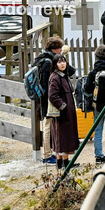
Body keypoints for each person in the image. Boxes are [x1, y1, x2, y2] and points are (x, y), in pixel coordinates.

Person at [35, 36, 76, 164]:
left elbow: (70, 71)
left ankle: (53, 154)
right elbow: (50, 84)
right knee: (49, 126)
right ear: (55, 49)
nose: (60, 50)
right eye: (59, 48)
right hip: (51, 100)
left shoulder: (44, 59)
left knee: (51, 126)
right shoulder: (48, 63)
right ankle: (47, 155)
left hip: (48, 98)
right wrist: (59, 103)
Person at [47, 54, 80, 170]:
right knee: (63, 138)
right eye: (59, 62)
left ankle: (60, 162)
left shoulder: (63, 76)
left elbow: (72, 70)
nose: (62, 64)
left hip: (67, 114)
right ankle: (65, 163)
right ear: (55, 64)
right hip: (62, 114)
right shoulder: (55, 77)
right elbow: (52, 96)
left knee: (64, 137)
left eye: (64, 62)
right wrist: (63, 106)